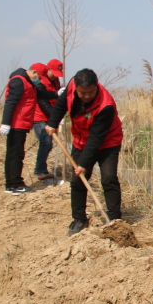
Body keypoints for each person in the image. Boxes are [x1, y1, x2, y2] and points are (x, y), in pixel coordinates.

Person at [45, 69, 124, 236]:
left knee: (109, 178)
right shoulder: (71, 87)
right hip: (80, 141)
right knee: (77, 181)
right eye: (82, 93)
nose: (86, 96)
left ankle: (115, 219)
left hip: (107, 142)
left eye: (90, 92)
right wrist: (52, 123)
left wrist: (83, 163)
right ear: (76, 87)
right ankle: (79, 218)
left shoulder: (106, 105)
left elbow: (96, 139)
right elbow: (61, 104)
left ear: (97, 86)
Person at [0, 67, 59, 194]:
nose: (38, 80)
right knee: (16, 154)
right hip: (16, 123)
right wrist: (6, 123)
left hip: (22, 123)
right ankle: (16, 184)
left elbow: (40, 94)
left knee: (14, 153)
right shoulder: (19, 80)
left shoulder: (27, 83)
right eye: (38, 77)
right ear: (34, 72)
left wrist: (57, 93)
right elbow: (11, 102)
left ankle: (11, 184)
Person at [30, 60, 63, 180]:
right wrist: (55, 117)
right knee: (46, 142)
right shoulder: (40, 81)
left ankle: (42, 169)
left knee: (48, 144)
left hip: (50, 116)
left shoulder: (56, 80)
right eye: (53, 73)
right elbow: (42, 102)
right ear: (48, 69)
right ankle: (40, 170)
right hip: (39, 116)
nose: (55, 76)